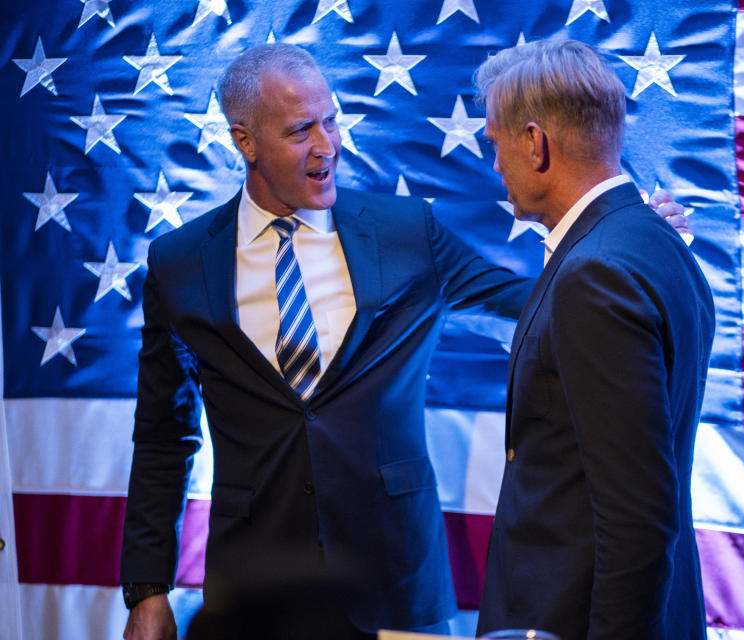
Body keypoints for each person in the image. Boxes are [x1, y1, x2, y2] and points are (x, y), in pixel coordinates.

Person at [119, 43, 533, 640]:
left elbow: (527, 299)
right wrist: (148, 589)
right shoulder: (181, 262)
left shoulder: (406, 232)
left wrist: (616, 244)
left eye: (331, 120)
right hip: (254, 596)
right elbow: (162, 435)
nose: (327, 145)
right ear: (245, 142)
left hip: (395, 588)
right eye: (300, 130)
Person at [474, 40, 715, 640]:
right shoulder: (655, 242)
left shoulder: (594, 275)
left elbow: (638, 518)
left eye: (495, 141)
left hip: (573, 622)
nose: (495, 162)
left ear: (535, 143)